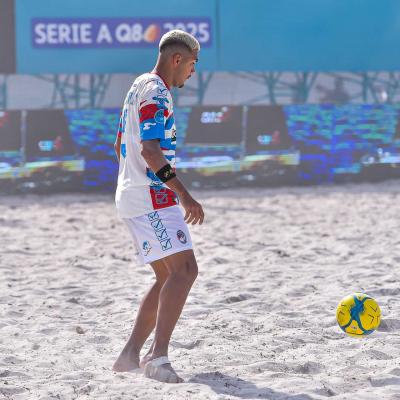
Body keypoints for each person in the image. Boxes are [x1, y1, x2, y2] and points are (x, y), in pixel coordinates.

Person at [112, 30, 204, 384]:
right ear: (177, 59)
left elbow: (119, 144)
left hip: (133, 194)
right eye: (192, 64)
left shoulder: (138, 85)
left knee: (168, 275)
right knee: (185, 270)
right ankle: (157, 356)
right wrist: (184, 194)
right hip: (150, 196)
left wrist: (131, 179)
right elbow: (150, 151)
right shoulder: (156, 92)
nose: (193, 72)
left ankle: (129, 355)